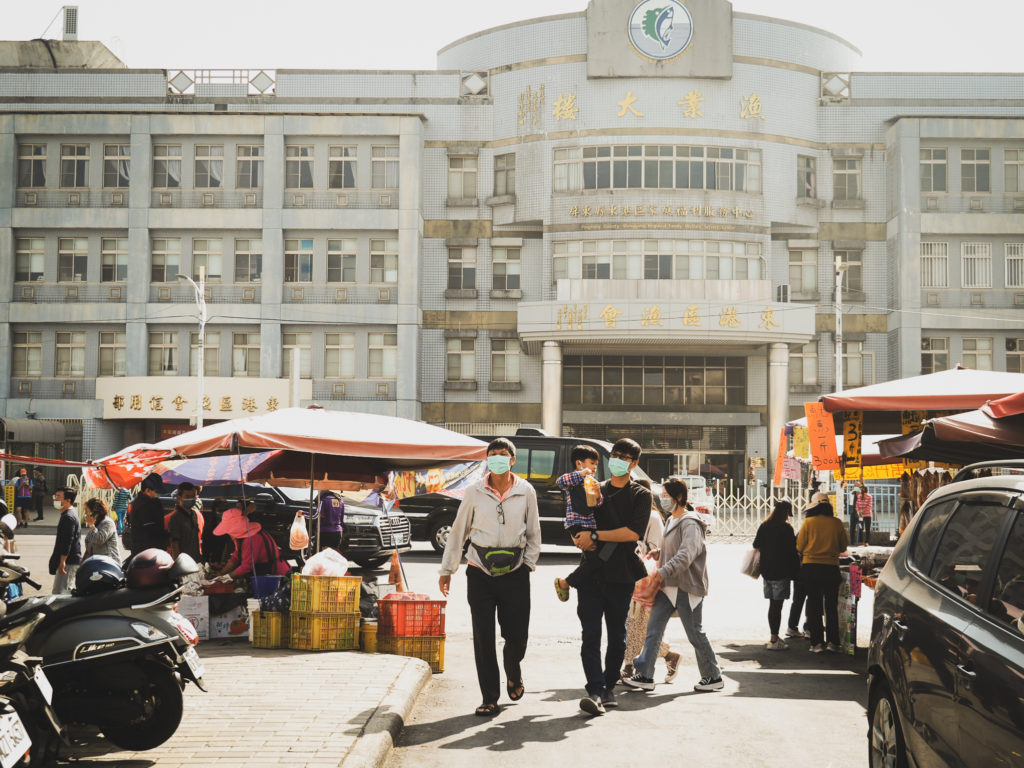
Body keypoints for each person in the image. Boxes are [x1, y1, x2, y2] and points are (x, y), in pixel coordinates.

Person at [438, 438, 541, 718]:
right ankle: (489, 697)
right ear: (487, 460)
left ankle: (513, 669)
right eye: (492, 454)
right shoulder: (473, 491)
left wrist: (528, 564)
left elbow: (533, 533)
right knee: (483, 637)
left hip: (516, 571)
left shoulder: (525, 491)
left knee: (517, 637)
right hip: (479, 571)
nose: (497, 458)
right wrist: (447, 569)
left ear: (512, 460)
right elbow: (458, 531)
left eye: (503, 454)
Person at [572, 437, 650, 715]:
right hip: (591, 572)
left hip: (621, 574)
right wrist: (580, 537)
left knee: (617, 636)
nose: (617, 460)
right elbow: (577, 521)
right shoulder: (594, 488)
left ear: (634, 463)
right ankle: (594, 690)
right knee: (590, 634)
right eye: (615, 454)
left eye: (625, 457)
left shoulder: (641, 495)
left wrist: (595, 535)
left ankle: (607, 686)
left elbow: (632, 533)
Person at [623, 477, 724, 694]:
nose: (663, 499)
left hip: (685, 586)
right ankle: (645, 675)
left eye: (666, 495)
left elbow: (687, 554)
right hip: (668, 586)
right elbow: (674, 550)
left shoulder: (690, 522)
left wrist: (662, 571)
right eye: (662, 495)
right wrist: (659, 553)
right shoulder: (671, 520)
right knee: (654, 629)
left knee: (695, 634)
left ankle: (713, 676)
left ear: (678, 497)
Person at [621, 479, 681, 682]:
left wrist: (636, 546)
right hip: (627, 576)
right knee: (635, 625)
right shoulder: (628, 513)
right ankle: (669, 656)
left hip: (645, 580)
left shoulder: (653, 517)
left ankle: (629, 666)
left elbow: (656, 550)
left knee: (638, 625)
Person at [796, 491, 850, 653]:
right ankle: (833, 643)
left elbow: (799, 547)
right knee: (831, 607)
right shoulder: (837, 523)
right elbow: (843, 547)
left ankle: (817, 643)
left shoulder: (808, 523)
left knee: (814, 606)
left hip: (811, 568)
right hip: (831, 568)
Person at [553, 444, 604, 601]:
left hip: (590, 525)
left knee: (593, 560)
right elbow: (560, 482)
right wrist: (581, 474)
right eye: (592, 463)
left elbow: (598, 504)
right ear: (579, 463)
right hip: (577, 523)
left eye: (596, 464)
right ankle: (565, 582)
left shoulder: (592, 480)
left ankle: (578, 584)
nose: (595, 467)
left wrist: (598, 494)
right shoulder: (574, 478)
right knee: (597, 560)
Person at [753, 499, 801, 650]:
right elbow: (793, 551)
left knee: (772, 605)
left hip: (767, 572)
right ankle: (774, 639)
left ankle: (773, 637)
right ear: (786, 513)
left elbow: (756, 544)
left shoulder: (764, 525)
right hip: (781, 572)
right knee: (777, 606)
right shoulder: (786, 528)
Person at [214, 504, 290, 578]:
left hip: (276, 577)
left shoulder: (252, 539)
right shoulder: (245, 537)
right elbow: (236, 556)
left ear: (235, 528)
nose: (229, 534)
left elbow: (246, 567)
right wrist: (221, 573)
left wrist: (224, 578)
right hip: (265, 574)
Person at [126, 473, 170, 556]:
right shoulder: (142, 505)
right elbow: (151, 529)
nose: (158, 494)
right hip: (146, 551)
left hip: (151, 549)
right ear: (147, 490)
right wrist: (169, 535)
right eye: (156, 491)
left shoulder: (151, 502)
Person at [49, 486, 82, 594]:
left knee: (61, 593)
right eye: (55, 496)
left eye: (59, 496)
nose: (55, 499)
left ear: (68, 500)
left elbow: (68, 540)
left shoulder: (68, 517)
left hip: (69, 561)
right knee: (61, 591)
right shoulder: (68, 514)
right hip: (68, 560)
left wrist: (62, 561)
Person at [166, 482, 204, 560]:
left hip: (196, 561)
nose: (191, 499)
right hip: (183, 563)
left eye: (193, 496)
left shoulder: (196, 515)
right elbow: (174, 544)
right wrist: (178, 564)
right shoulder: (175, 518)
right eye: (187, 496)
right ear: (179, 498)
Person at [83, 497, 123, 562]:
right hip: (97, 562)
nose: (85, 515)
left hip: (110, 563)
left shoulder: (107, 522)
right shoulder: (96, 524)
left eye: (87, 512)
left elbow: (100, 539)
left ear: (95, 513)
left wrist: (91, 525)